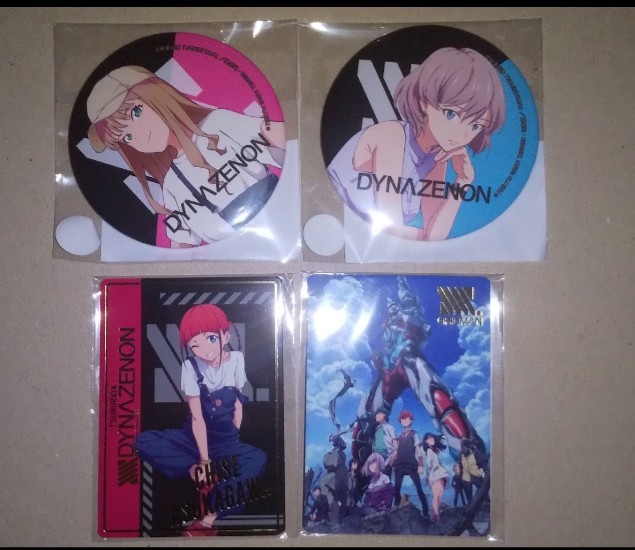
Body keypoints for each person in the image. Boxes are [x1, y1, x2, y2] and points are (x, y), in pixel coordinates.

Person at [86, 65, 286, 247]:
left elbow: (280, 138)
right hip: (229, 260)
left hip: (278, 223)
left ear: (157, 95)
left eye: (136, 112)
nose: (138, 135)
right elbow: (181, 247)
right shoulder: (171, 183)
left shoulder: (218, 124)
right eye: (126, 137)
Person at [327, 47, 505, 241]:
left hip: (361, 242)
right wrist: (421, 236)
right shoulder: (391, 136)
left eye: (476, 125)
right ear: (424, 102)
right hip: (330, 227)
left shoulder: (436, 158)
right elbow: (392, 230)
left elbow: (435, 238)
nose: (462, 134)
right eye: (451, 114)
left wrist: (463, 181)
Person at [134, 304, 266, 536]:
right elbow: (197, 417)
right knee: (143, 441)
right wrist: (203, 462)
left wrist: (233, 439)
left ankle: (208, 518)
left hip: (226, 440)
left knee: (257, 459)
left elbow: (238, 405)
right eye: (195, 345)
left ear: (225, 336)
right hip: (192, 437)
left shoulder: (236, 360)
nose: (205, 350)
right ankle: (195, 471)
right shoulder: (190, 366)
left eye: (211, 339)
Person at [389, 410, 430, 518]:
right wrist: (391, 462)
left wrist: (420, 465)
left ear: (410, 420)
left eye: (406, 418)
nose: (404, 420)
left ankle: (426, 512)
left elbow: (418, 451)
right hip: (399, 464)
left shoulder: (414, 434)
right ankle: (396, 511)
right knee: (397, 489)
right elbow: (397, 451)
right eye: (402, 419)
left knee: (419, 488)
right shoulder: (400, 436)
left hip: (411, 464)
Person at [422, 432, 450, 523]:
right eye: (429, 438)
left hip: (439, 473)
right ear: (426, 441)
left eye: (432, 438)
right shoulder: (429, 451)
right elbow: (428, 464)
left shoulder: (433, 450)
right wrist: (428, 475)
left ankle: (436, 514)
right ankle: (436, 515)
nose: (432, 440)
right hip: (435, 474)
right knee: (437, 495)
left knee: (439, 495)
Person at [372, 406, 398, 478]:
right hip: (376, 457)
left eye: (378, 413)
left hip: (386, 456)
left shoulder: (389, 428)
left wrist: (391, 461)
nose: (376, 415)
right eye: (376, 414)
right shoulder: (377, 429)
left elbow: (396, 447)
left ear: (384, 415)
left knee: (385, 479)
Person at [460, 438, 485, 503]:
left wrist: (482, 474)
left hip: (474, 476)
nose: (464, 448)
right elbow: (460, 467)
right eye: (463, 447)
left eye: (464, 446)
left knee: (482, 491)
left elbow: (481, 463)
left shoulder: (474, 452)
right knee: (470, 498)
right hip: (468, 477)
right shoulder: (462, 454)